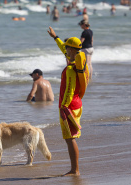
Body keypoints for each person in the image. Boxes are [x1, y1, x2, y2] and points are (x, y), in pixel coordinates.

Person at [48, 27, 85, 176]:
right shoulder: (77, 60)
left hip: (68, 106)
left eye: (67, 47)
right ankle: (74, 169)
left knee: (70, 139)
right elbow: (63, 48)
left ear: (71, 50)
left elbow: (70, 88)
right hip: (76, 103)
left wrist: (64, 106)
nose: (65, 50)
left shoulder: (71, 69)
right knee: (71, 138)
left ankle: (74, 170)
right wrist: (55, 37)